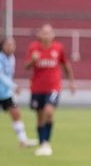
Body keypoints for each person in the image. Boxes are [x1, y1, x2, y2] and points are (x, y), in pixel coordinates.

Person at [26, 24, 75, 156]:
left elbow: (66, 65)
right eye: (44, 32)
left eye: (49, 33)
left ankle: (46, 142)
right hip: (37, 88)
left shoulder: (58, 48)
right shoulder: (33, 48)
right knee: (39, 117)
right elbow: (26, 66)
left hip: (53, 87)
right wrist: (33, 60)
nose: (47, 35)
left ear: (53, 35)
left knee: (49, 112)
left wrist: (71, 82)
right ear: (39, 34)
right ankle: (42, 143)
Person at [0, 38, 37, 150]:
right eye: (8, 45)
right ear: (2, 46)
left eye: (13, 45)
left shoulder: (12, 58)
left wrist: (11, 90)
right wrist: (14, 86)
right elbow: (0, 75)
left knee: (16, 113)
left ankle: (23, 140)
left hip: (7, 95)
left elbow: (9, 75)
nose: (11, 47)